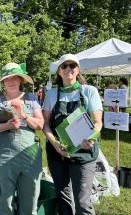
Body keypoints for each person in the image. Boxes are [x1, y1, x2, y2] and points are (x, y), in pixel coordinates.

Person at [42, 54, 103, 215]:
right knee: (63, 197)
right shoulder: (51, 94)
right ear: (59, 71)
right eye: (64, 66)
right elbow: (45, 124)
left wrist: (90, 138)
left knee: (82, 201)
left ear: (78, 70)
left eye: (72, 65)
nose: (68, 69)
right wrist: (55, 144)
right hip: (58, 153)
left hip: (84, 153)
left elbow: (98, 122)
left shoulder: (89, 91)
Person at [0, 62, 44, 215]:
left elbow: (40, 124)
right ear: (3, 82)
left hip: (29, 155)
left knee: (30, 199)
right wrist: (7, 125)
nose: (10, 82)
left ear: (20, 80)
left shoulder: (31, 98)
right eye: (7, 79)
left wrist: (24, 115)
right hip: (3, 154)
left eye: (14, 78)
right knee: (5, 201)